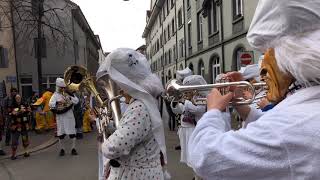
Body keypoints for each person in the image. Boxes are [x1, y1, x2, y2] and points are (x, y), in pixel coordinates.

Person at [188, 1, 320, 179]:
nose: (262, 67)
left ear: (292, 55)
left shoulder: (290, 125)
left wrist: (213, 111)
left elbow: (206, 158)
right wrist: (238, 102)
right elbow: (271, 123)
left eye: (268, 52)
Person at [96, 48, 167, 179]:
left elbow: (115, 147)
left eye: (120, 86)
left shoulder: (139, 107)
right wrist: (109, 125)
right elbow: (133, 131)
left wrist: (103, 145)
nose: (120, 92)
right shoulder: (142, 103)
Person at [171, 75, 207, 180]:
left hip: (194, 130)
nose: (186, 92)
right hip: (185, 130)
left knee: (195, 156)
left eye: (189, 89)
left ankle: (199, 176)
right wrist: (176, 102)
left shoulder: (200, 97)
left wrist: (186, 102)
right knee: (189, 156)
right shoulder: (187, 98)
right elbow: (178, 111)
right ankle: (195, 175)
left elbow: (199, 110)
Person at [49, 78, 79, 156]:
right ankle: (62, 149)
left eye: (63, 87)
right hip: (60, 118)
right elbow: (50, 104)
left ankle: (73, 148)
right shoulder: (55, 95)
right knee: (61, 134)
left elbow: (76, 101)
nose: (62, 89)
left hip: (69, 116)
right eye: (61, 87)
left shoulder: (68, 94)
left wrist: (70, 96)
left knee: (72, 133)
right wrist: (58, 102)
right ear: (57, 87)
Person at [10, 94, 32, 160]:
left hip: (24, 125)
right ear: (15, 99)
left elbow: (29, 111)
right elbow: (12, 113)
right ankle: (14, 154)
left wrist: (28, 110)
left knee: (25, 139)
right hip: (15, 125)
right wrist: (20, 111)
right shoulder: (12, 105)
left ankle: (26, 152)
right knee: (14, 140)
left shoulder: (24, 104)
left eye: (19, 98)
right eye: (17, 98)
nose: (18, 99)